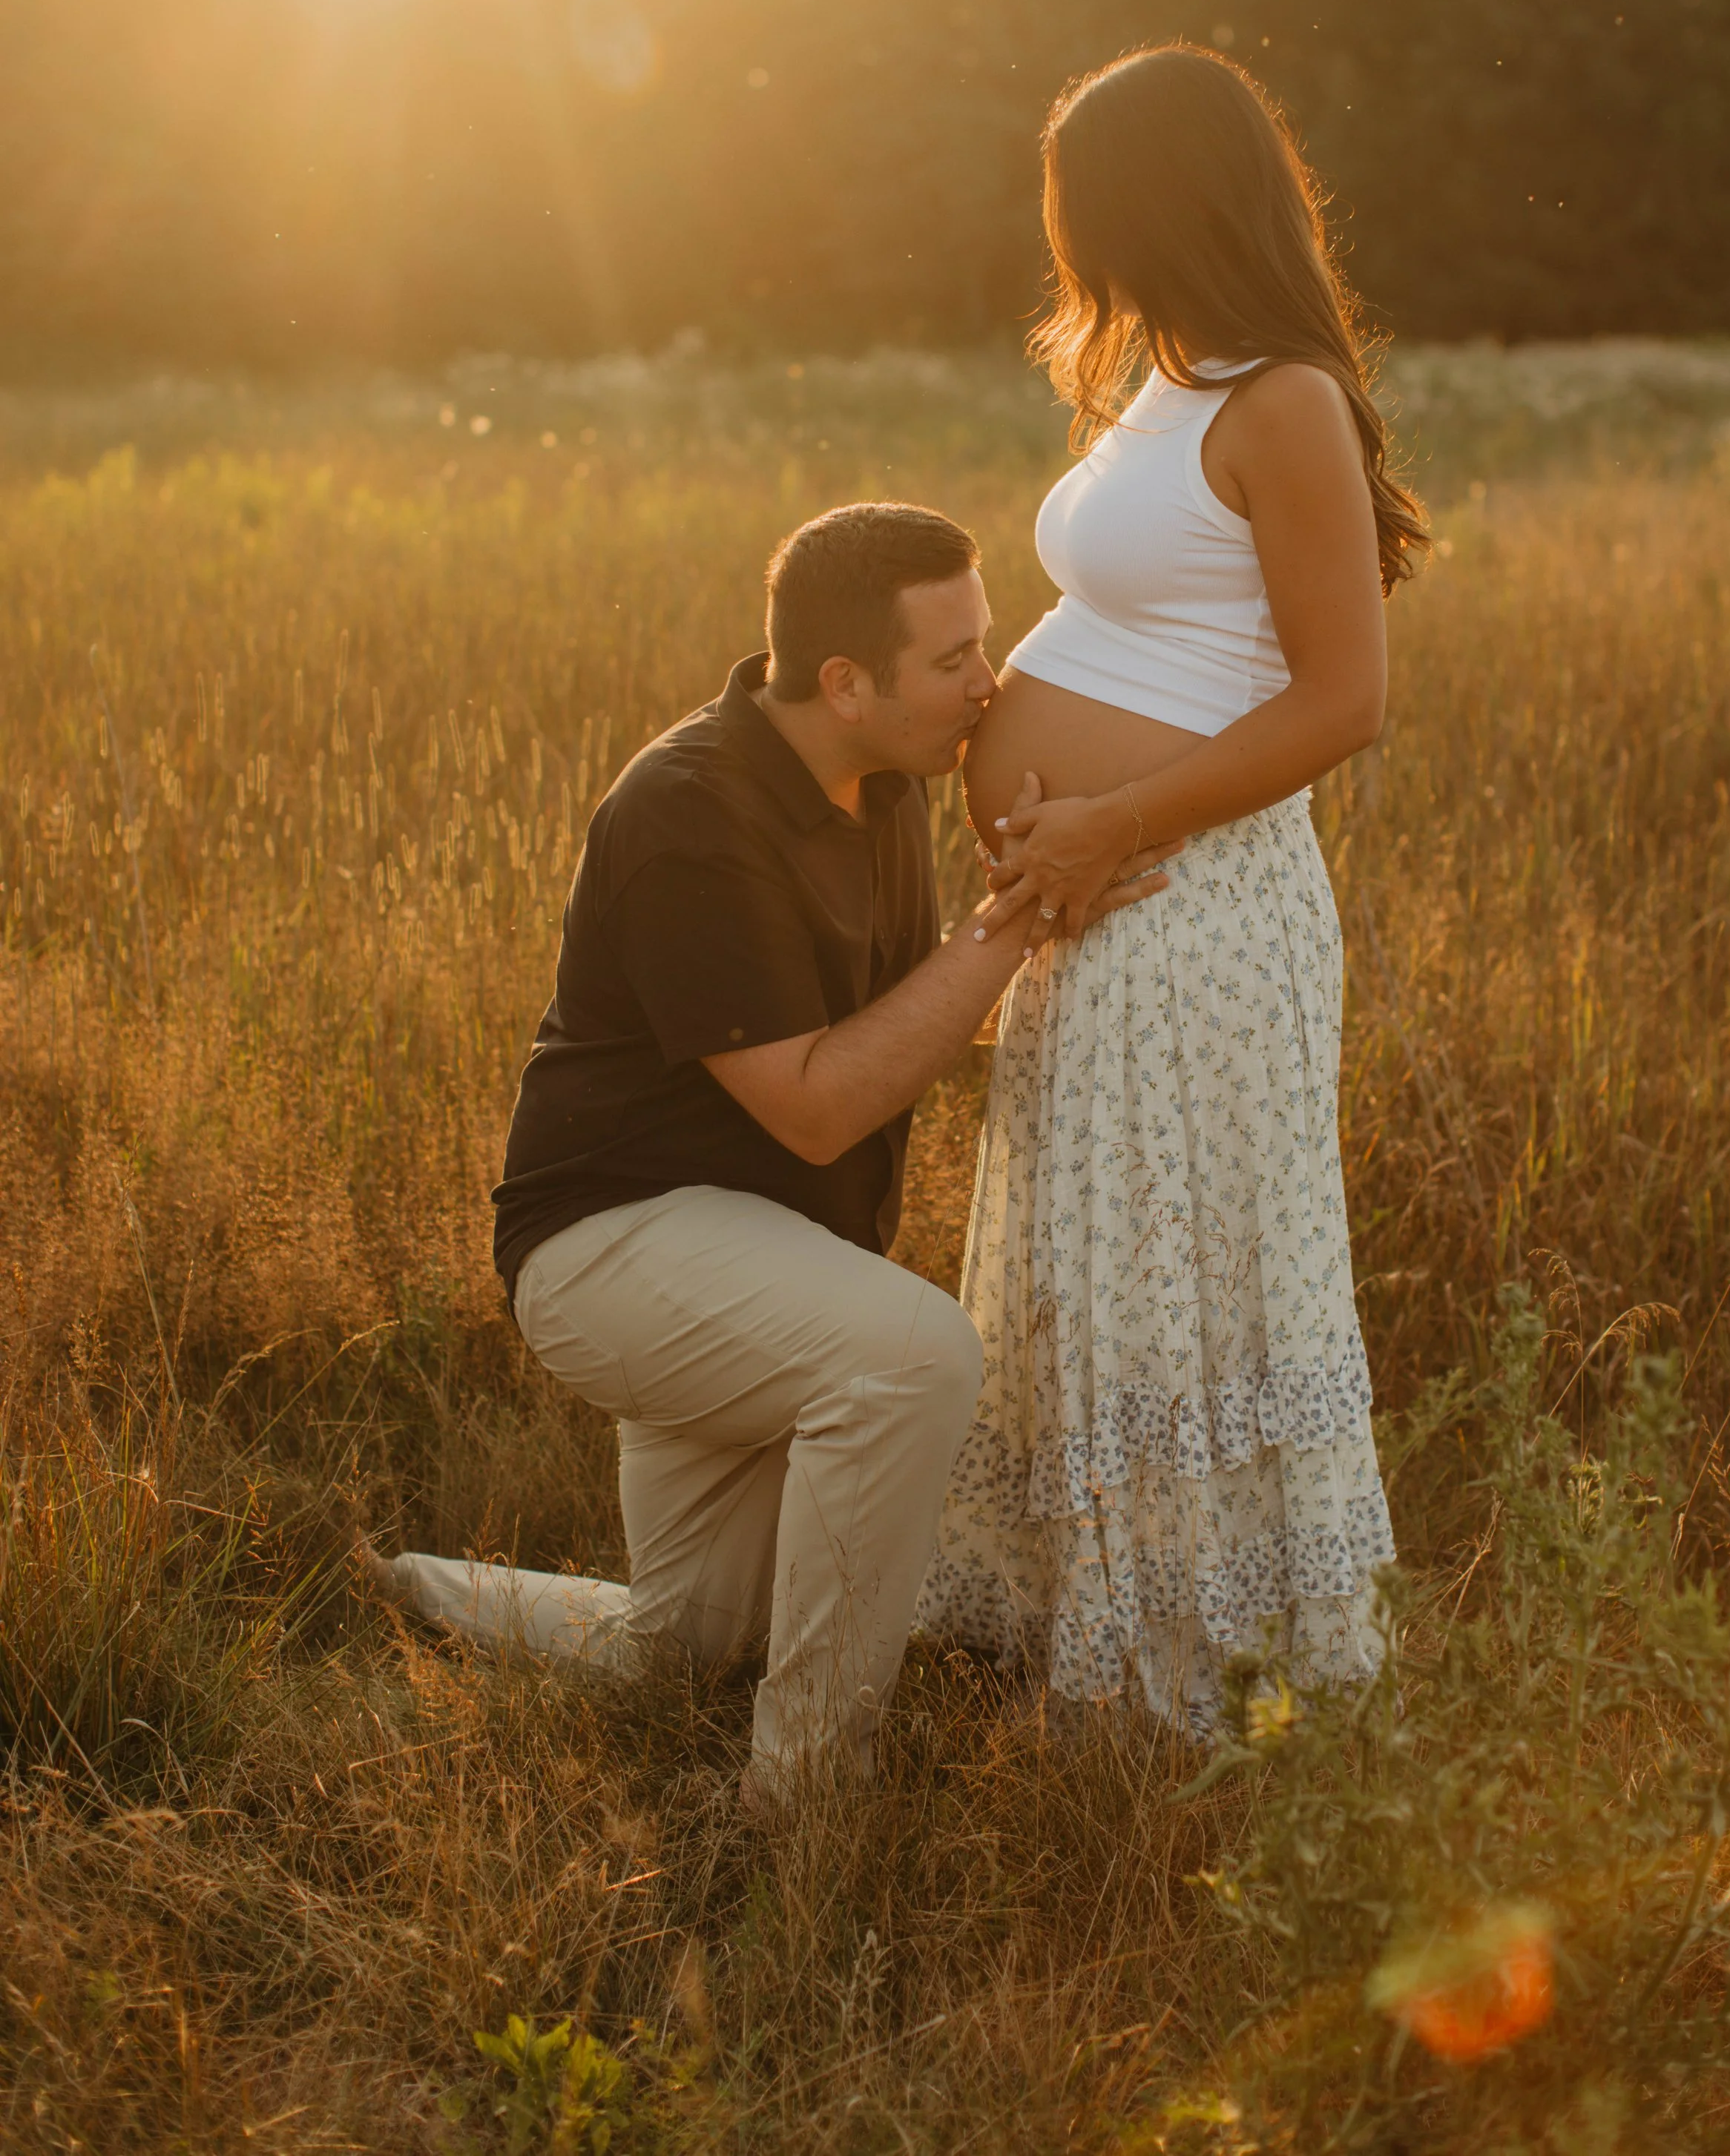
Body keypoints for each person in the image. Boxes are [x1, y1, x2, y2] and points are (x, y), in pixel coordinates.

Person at [370, 503, 1162, 1807]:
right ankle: (803, 1796)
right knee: (914, 1357)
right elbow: (814, 1105)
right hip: (613, 1247)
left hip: (761, 1259)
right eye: (956, 656)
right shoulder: (691, 813)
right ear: (847, 684)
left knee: (681, 1649)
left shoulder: (889, 780)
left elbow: (904, 1020)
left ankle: (417, 1590)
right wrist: (1010, 926)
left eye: (989, 641)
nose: (990, 680)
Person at [915, 44, 1428, 1738]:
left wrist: (1103, 819)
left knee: (1185, 1271)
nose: (1060, 235)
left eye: (1076, 200)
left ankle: (1198, 1683)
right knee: (1101, 1261)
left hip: (1190, 906)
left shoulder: (1282, 399)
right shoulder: (1168, 381)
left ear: (1151, 200)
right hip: (1102, 897)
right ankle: (1095, 1638)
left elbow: (1341, 699)